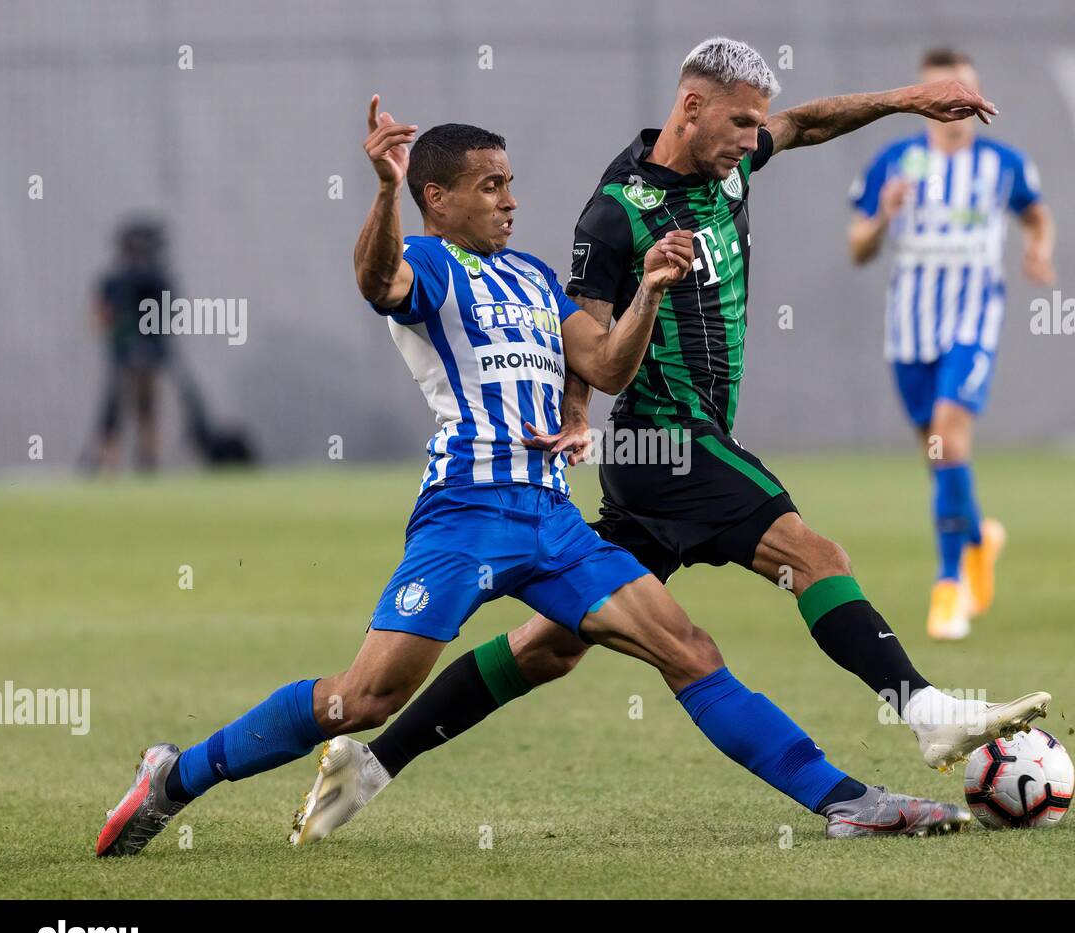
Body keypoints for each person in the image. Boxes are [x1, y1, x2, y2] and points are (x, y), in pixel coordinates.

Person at [97, 96, 976, 858]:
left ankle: (845, 803)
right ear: (435, 198)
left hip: (553, 522)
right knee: (361, 700)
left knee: (689, 649)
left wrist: (649, 294)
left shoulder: (530, 277)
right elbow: (376, 278)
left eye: (512, 183)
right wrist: (379, 193)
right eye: (491, 186)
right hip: (465, 518)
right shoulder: (432, 265)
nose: (512, 201)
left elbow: (607, 363)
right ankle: (177, 776)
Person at [293, 40, 1051, 845]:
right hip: (666, 441)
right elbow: (579, 328)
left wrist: (904, 99)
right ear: (690, 108)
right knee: (814, 555)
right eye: (738, 122)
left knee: (549, 648)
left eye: (754, 125)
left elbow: (805, 124)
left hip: (676, 456)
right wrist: (579, 413)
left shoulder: (734, 162)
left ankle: (373, 765)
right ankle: (925, 710)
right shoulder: (615, 210)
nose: (751, 139)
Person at [848, 48, 1056, 640]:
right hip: (910, 325)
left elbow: (1036, 215)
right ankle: (977, 538)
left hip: (973, 315)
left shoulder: (1003, 163)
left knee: (948, 431)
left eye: (969, 92)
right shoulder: (894, 162)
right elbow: (857, 248)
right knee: (937, 453)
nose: (961, 104)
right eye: (948, 93)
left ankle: (949, 586)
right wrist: (882, 218)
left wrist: (1038, 247)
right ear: (926, 101)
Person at [90, 220, 173, 472]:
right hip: (123, 355)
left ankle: (147, 459)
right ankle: (108, 461)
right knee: (115, 409)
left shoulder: (157, 280)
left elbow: (169, 316)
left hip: (146, 355)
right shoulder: (115, 281)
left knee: (146, 409)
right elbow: (100, 317)